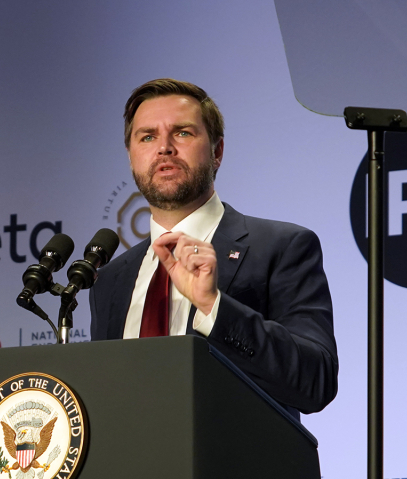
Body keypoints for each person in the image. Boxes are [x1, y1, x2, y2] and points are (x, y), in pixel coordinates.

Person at [89, 78, 337, 416]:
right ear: (132, 158)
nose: (164, 148)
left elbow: (316, 381)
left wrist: (213, 306)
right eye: (147, 137)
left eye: (183, 133)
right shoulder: (110, 280)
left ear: (217, 152)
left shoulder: (282, 247)